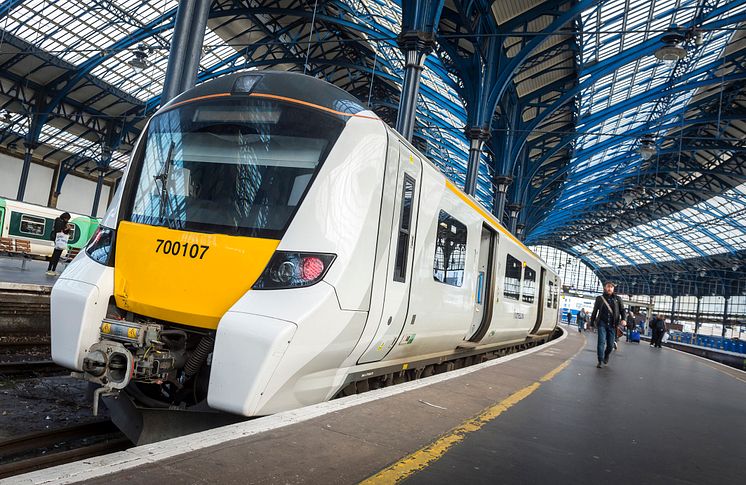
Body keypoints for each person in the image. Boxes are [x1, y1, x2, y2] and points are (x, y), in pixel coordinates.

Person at [590, 281, 626, 368]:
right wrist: (592, 322)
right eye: (608, 286)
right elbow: (595, 311)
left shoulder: (618, 299)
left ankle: (606, 355)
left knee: (610, 345)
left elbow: (622, 310)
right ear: (604, 288)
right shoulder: (599, 298)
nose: (609, 288)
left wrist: (624, 319)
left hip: (613, 325)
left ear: (613, 289)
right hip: (602, 323)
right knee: (601, 342)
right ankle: (600, 360)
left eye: (611, 287)